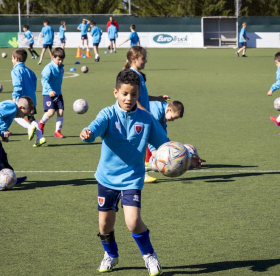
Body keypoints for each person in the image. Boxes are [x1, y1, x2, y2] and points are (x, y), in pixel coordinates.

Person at [80, 69, 169, 276]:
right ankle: (111, 255)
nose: (129, 98)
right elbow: (94, 127)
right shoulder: (108, 114)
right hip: (107, 178)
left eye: (134, 94)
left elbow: (165, 145)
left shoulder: (146, 119)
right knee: (104, 225)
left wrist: (188, 159)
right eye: (125, 94)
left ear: (139, 94)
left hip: (131, 179)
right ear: (116, 92)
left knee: (133, 221)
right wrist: (88, 133)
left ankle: (149, 256)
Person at [123, 46, 170, 183]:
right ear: (133, 59)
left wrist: (157, 98)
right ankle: (138, 173)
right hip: (136, 116)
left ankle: (140, 171)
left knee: (142, 144)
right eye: (143, 58)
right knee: (139, 145)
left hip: (141, 115)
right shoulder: (132, 75)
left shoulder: (138, 75)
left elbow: (142, 95)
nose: (145, 61)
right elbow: (133, 97)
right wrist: (144, 111)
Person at [0, 97, 33, 191]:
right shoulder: (11, 106)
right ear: (21, 107)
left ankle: (12, 179)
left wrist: (2, 134)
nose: (23, 117)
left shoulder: (12, 110)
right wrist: (4, 130)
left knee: (2, 156)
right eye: (24, 114)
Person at [146, 101, 205, 170]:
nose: (172, 120)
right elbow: (151, 133)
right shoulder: (156, 113)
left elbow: (164, 141)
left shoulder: (163, 117)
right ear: (168, 110)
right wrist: (154, 151)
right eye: (172, 117)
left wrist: (189, 156)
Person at [11, 48, 46, 147]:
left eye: (12, 59)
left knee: (14, 116)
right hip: (31, 99)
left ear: (16, 59)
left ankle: (29, 127)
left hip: (22, 100)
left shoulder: (15, 71)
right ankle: (40, 138)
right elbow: (35, 82)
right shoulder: (29, 71)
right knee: (32, 118)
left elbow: (17, 86)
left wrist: (15, 99)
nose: (12, 61)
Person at [38, 47, 66, 138]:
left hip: (58, 93)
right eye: (58, 59)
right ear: (53, 57)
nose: (60, 61)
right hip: (48, 93)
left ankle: (57, 131)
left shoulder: (61, 68)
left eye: (62, 59)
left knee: (61, 112)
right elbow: (44, 80)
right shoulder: (48, 68)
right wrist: (49, 90)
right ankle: (41, 123)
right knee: (51, 112)